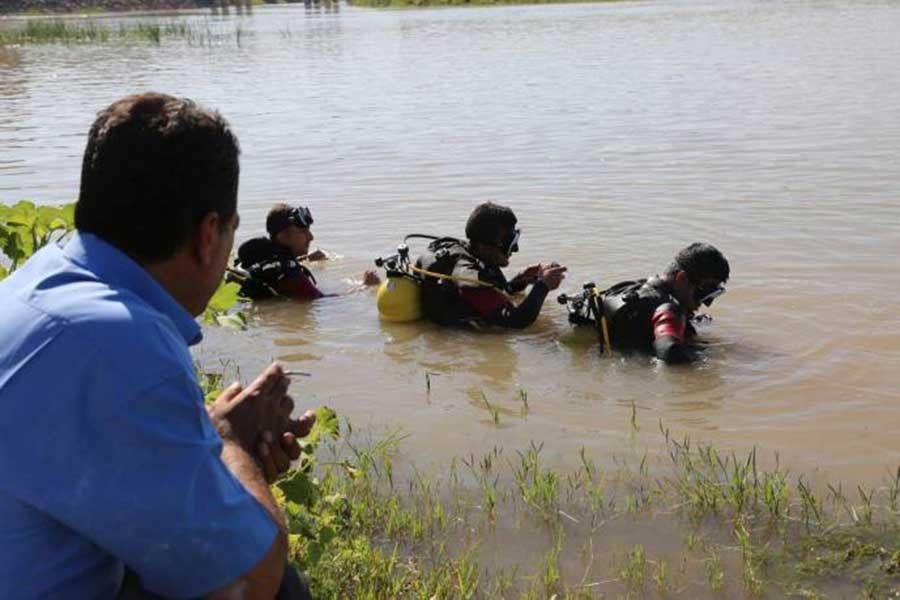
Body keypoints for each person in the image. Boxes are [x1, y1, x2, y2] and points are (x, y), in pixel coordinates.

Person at [0, 93, 314, 599]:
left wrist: (207, 438)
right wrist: (235, 452)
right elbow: (249, 580)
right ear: (208, 235)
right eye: (231, 231)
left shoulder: (40, 281)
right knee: (279, 584)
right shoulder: (124, 345)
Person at [415, 202, 567, 329]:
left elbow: (498, 291)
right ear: (484, 245)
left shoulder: (477, 255)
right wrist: (543, 286)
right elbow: (515, 322)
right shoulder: (469, 278)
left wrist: (523, 278)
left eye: (514, 240)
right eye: (509, 243)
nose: (515, 250)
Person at [589, 243, 730, 364]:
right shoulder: (670, 309)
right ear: (682, 279)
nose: (707, 303)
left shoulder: (636, 289)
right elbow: (669, 351)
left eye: (713, 295)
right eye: (705, 292)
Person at [234, 202, 380, 301]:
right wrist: (365, 286)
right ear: (283, 236)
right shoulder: (290, 276)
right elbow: (322, 302)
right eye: (303, 232)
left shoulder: (264, 255)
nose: (311, 237)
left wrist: (305, 258)